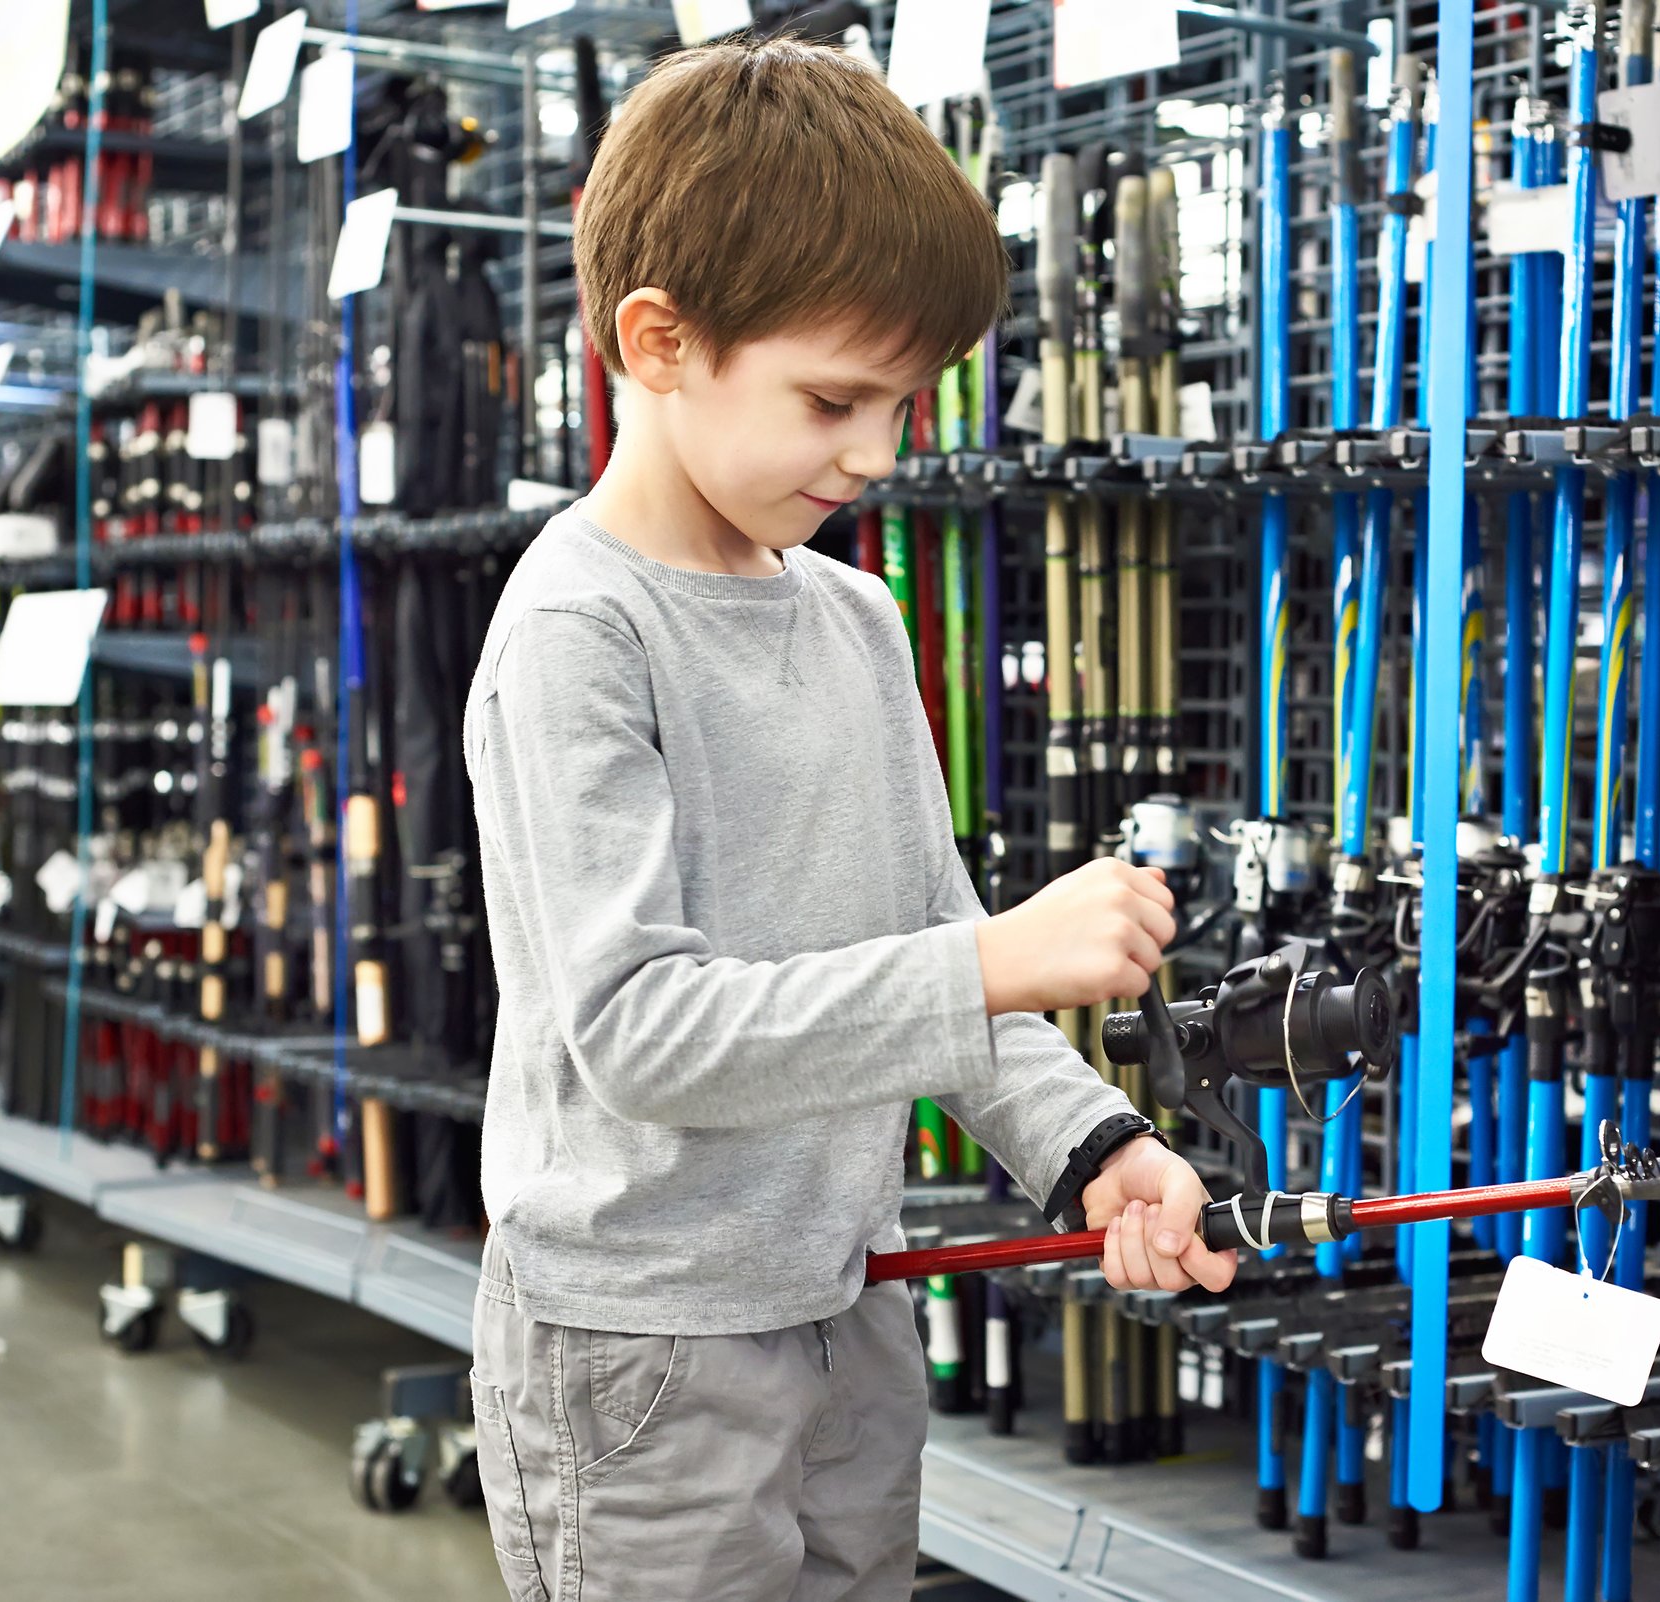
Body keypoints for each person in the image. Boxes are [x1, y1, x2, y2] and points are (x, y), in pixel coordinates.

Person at [462, 35, 1237, 1602]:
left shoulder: (860, 620)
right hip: (642, 1351)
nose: (880, 453)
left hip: (850, 1302)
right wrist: (992, 967)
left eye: (906, 399)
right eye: (834, 398)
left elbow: (935, 952)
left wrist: (1097, 1147)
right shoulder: (578, 629)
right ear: (660, 341)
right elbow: (642, 1032)